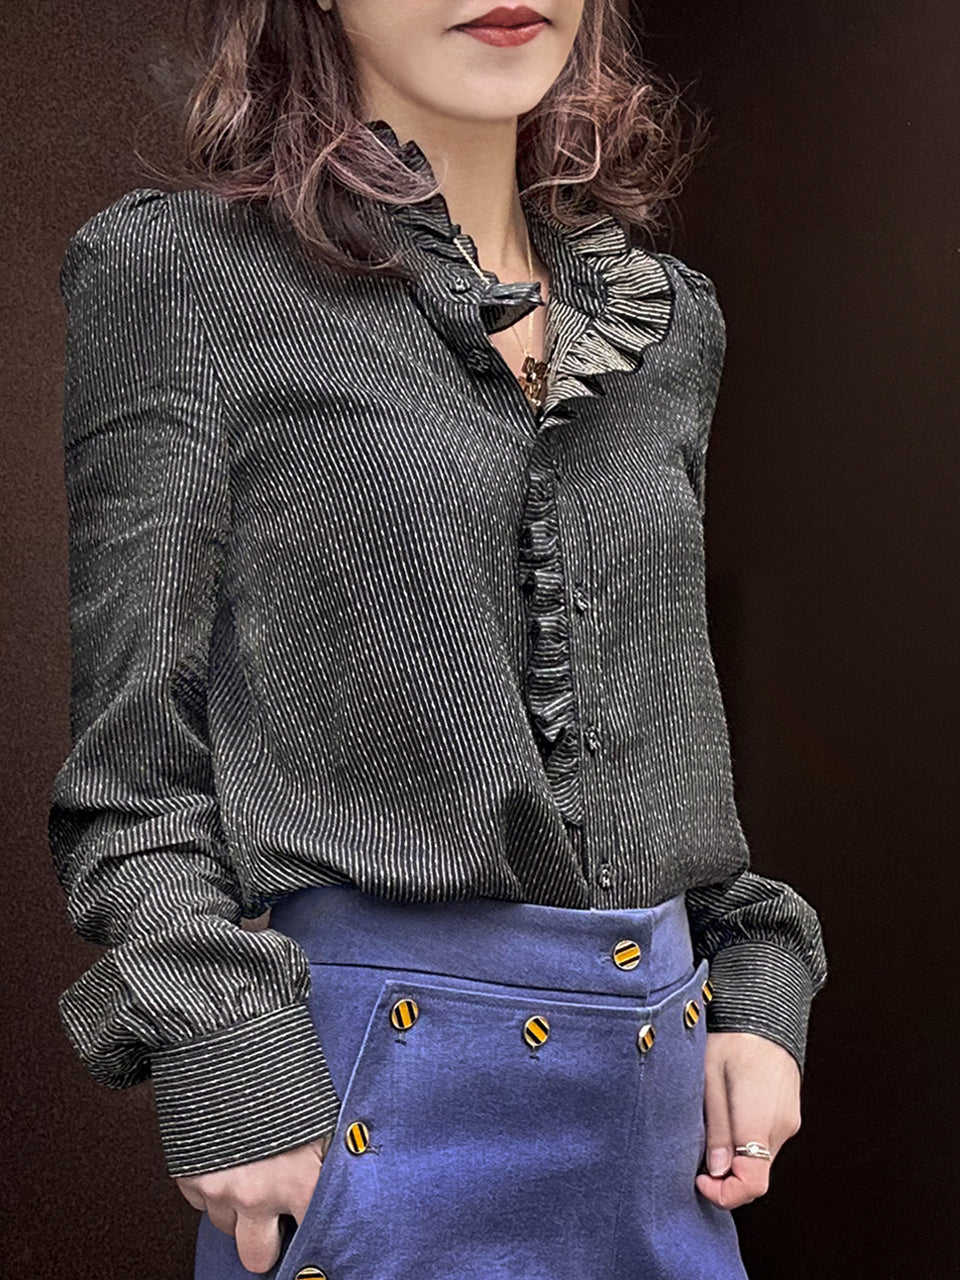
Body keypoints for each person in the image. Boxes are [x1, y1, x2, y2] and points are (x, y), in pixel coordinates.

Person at [48, 1, 828, 1277]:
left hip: (660, 1121)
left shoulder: (666, 321)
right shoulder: (183, 274)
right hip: (374, 1107)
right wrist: (222, 1050)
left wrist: (754, 990)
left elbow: (662, 728)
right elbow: (132, 768)